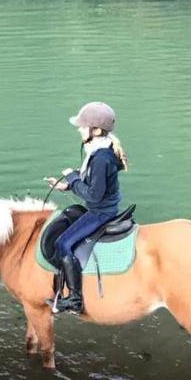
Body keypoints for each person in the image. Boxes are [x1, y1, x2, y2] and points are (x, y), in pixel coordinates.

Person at [45, 101, 129, 315]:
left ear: (97, 130)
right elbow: (92, 184)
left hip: (101, 212)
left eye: (83, 127)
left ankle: (74, 299)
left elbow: (93, 194)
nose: (79, 130)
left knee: (63, 243)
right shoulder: (101, 150)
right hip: (102, 206)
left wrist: (73, 179)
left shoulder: (101, 158)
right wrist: (66, 186)